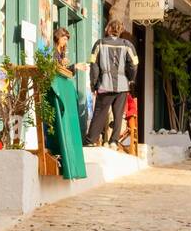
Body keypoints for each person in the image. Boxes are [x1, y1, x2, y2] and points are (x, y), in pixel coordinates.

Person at [86, 20, 139, 148]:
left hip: (104, 84)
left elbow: (94, 65)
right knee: (118, 114)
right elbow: (134, 64)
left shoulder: (99, 43)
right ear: (120, 30)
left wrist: (94, 84)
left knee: (100, 112)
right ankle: (114, 141)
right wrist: (130, 78)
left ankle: (91, 140)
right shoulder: (128, 45)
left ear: (109, 29)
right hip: (122, 86)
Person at [45, 27, 88, 178]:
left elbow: (62, 71)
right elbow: (52, 70)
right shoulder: (52, 52)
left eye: (67, 40)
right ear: (58, 37)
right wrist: (71, 66)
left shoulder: (61, 53)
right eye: (64, 39)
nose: (65, 42)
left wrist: (72, 67)